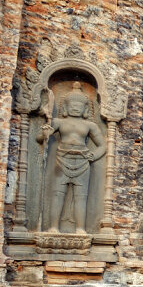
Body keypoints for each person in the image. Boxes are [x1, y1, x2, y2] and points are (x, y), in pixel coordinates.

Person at [38, 82, 106, 233]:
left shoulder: (90, 125)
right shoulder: (58, 122)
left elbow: (103, 145)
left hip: (82, 161)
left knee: (81, 197)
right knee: (57, 195)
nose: (75, 107)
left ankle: (80, 228)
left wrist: (93, 155)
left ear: (85, 109)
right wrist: (45, 133)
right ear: (65, 107)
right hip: (62, 159)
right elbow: (39, 137)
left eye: (79, 104)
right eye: (72, 104)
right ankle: (53, 227)